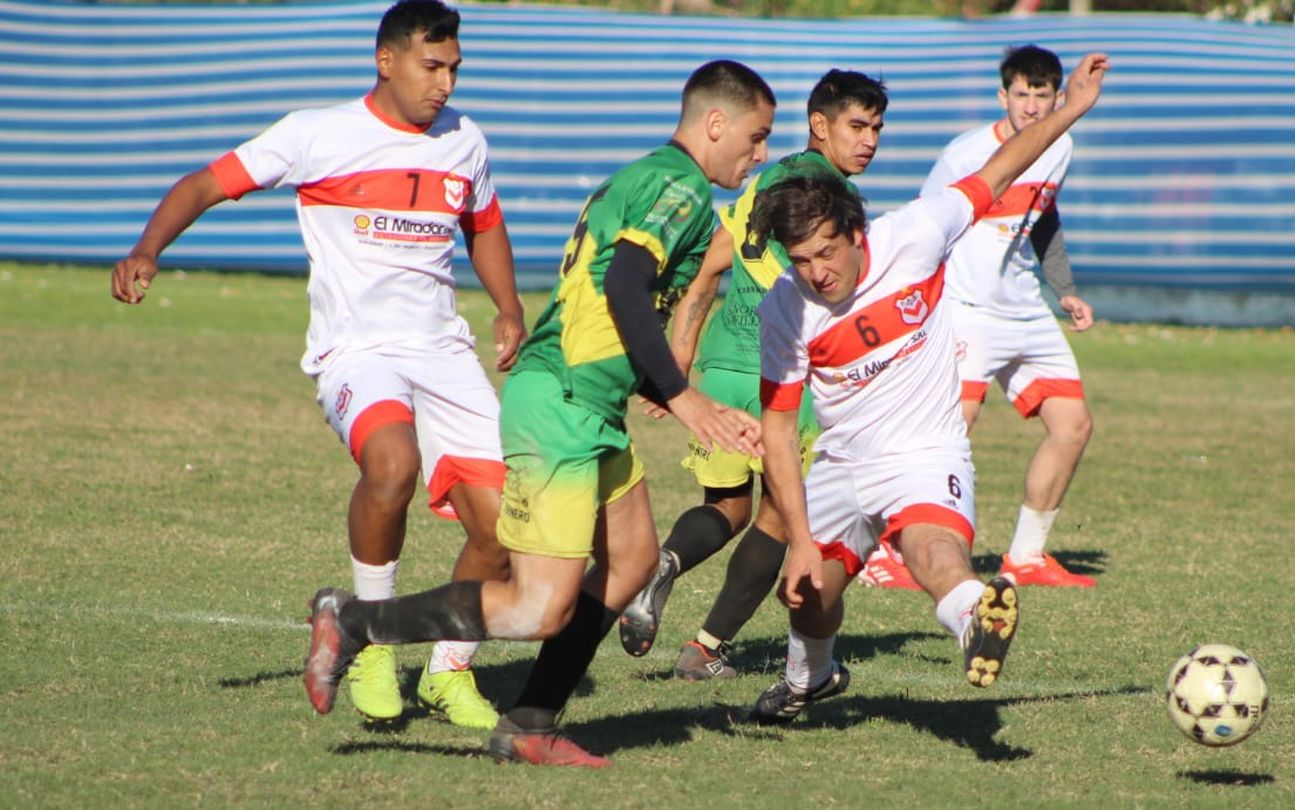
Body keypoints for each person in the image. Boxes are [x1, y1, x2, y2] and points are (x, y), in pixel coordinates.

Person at [302, 60, 777, 767]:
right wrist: (684, 398)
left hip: (591, 403)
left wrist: (649, 380)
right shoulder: (675, 184)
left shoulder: (654, 181)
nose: (761, 153)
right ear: (717, 124)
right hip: (560, 403)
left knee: (633, 560)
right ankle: (356, 620)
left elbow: (611, 301)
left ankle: (529, 721)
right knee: (536, 608)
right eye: (758, 136)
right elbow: (623, 284)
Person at [111, 0, 526, 728]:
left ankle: (447, 673)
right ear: (386, 60)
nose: (446, 85)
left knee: (505, 528)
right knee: (392, 465)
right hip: (356, 352)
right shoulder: (316, 133)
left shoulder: (465, 141)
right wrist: (149, 248)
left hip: (444, 353)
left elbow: (484, 224)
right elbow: (206, 183)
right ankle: (367, 640)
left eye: (455, 69)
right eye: (432, 67)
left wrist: (509, 307)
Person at [745, 52, 1108, 725]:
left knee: (931, 552)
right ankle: (810, 679)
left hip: (925, 453)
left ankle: (976, 615)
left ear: (857, 232)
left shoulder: (916, 231)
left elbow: (1000, 168)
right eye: (800, 261)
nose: (816, 274)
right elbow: (776, 431)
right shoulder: (784, 310)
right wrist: (796, 537)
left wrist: (1073, 108)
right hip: (842, 461)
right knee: (805, 594)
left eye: (827, 253)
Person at [615, 69, 889, 682]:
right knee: (780, 517)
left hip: (722, 365)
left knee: (729, 506)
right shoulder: (831, 200)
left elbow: (709, 269)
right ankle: (706, 648)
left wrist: (678, 367)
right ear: (820, 125)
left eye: (876, 128)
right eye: (857, 126)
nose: (869, 140)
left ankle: (663, 563)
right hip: (785, 370)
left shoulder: (763, 179)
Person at [910, 44, 1098, 588]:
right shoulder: (965, 153)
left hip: (1024, 311)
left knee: (1073, 426)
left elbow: (1043, 217)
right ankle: (889, 551)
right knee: (949, 429)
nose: (1033, 107)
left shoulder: (1059, 147)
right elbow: (926, 227)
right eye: (1022, 95)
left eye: (1043, 96)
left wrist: (1063, 288)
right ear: (1003, 96)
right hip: (967, 309)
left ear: (1058, 98)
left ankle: (1027, 557)